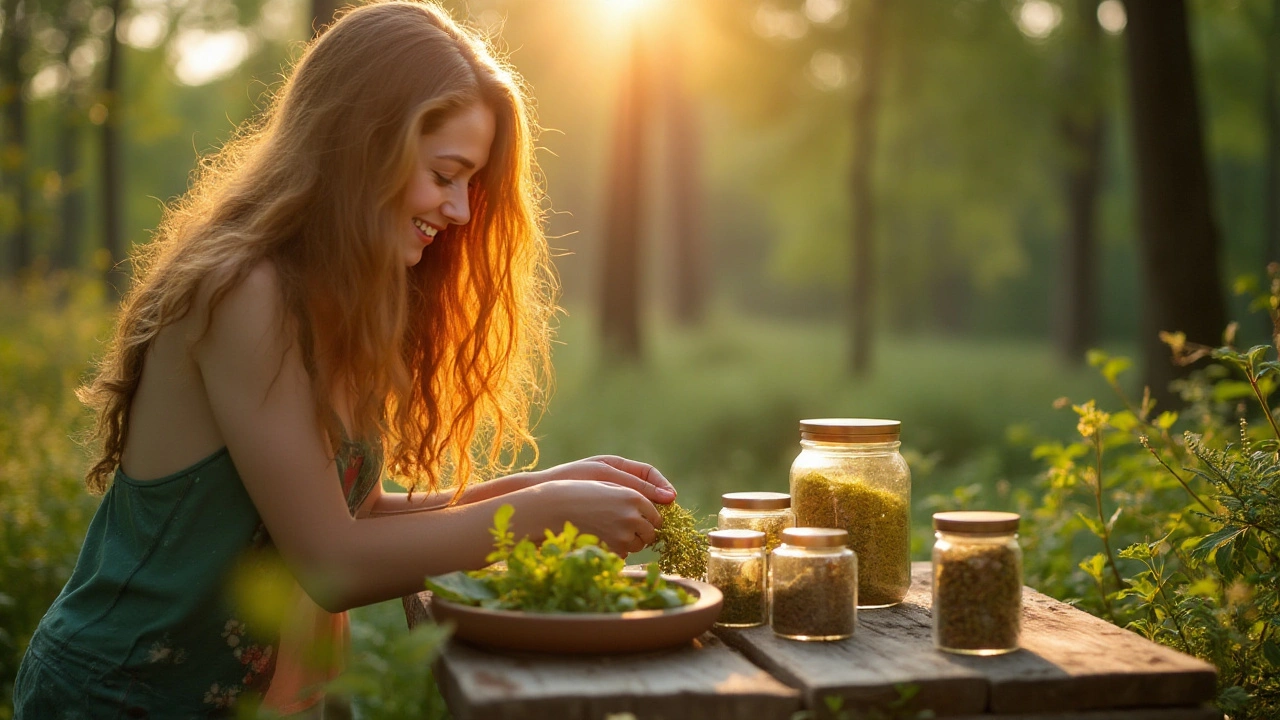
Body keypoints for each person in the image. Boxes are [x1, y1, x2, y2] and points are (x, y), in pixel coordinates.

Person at [12, 1, 675, 716]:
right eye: (445, 175)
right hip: (121, 696)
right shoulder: (244, 291)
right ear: (364, 148)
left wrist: (544, 486)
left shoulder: (337, 299)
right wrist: (542, 515)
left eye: (470, 185)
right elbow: (330, 560)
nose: (459, 212)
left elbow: (347, 513)